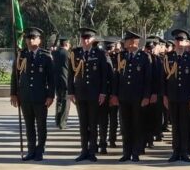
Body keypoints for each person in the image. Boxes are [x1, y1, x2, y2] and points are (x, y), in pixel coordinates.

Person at [10, 27, 55, 161]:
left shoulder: (46, 56)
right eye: (28, 38)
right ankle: (31, 150)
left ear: (39, 40)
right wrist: (13, 93)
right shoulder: (21, 55)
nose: (30, 41)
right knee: (29, 125)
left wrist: (50, 96)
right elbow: (15, 76)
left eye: (33, 38)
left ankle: (40, 150)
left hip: (40, 97)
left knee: (41, 125)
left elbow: (51, 79)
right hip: (25, 96)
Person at [68, 27, 110, 162]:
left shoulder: (100, 53)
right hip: (80, 93)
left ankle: (92, 151)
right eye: (83, 38)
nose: (85, 40)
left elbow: (104, 75)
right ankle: (83, 150)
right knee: (83, 123)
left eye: (88, 38)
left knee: (93, 123)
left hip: (94, 93)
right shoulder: (75, 53)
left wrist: (103, 92)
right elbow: (70, 74)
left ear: (93, 40)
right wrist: (70, 92)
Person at [111, 31, 153, 162]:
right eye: (126, 40)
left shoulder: (144, 57)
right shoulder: (121, 57)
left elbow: (148, 79)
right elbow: (116, 78)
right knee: (125, 126)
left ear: (135, 42)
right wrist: (114, 95)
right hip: (124, 97)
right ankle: (126, 152)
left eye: (128, 40)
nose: (126, 43)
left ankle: (136, 152)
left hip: (138, 97)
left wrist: (147, 96)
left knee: (137, 125)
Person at [162, 29, 190, 162]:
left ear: (186, 42)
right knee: (175, 125)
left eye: (182, 40)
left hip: (186, 97)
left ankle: (184, 151)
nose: (179, 42)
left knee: (184, 125)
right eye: (177, 40)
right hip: (172, 97)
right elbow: (164, 79)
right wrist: (164, 96)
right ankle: (175, 151)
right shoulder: (168, 57)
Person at [52, 37, 70, 130]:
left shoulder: (55, 53)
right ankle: (63, 123)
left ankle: (57, 120)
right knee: (66, 102)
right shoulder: (68, 54)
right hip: (66, 80)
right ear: (66, 44)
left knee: (59, 101)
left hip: (56, 80)